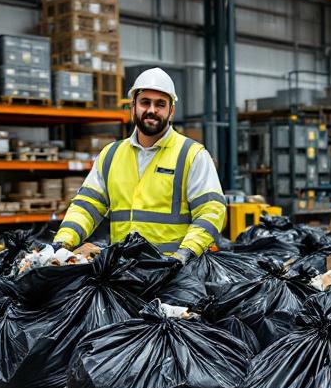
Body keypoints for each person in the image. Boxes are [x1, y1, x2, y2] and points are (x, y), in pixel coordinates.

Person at [54, 67, 226, 264]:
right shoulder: (111, 155)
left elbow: (211, 211)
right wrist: (63, 242)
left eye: (160, 104)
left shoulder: (192, 155)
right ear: (133, 106)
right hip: (122, 271)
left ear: (171, 111)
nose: (152, 110)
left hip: (174, 274)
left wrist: (185, 254)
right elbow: (87, 206)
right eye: (145, 102)